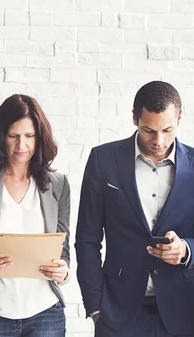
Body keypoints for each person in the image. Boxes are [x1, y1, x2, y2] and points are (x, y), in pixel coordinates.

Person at [75, 80, 194, 337]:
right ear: (134, 118)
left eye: (167, 129)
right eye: (149, 130)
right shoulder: (102, 160)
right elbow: (87, 239)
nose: (159, 141)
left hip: (184, 313)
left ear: (180, 118)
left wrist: (187, 249)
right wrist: (95, 308)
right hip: (118, 314)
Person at [0, 94, 71, 337]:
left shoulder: (57, 184)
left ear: (40, 138)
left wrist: (64, 270)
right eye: (13, 136)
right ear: (0, 136)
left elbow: (64, 249)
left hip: (45, 311)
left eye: (30, 136)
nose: (22, 146)